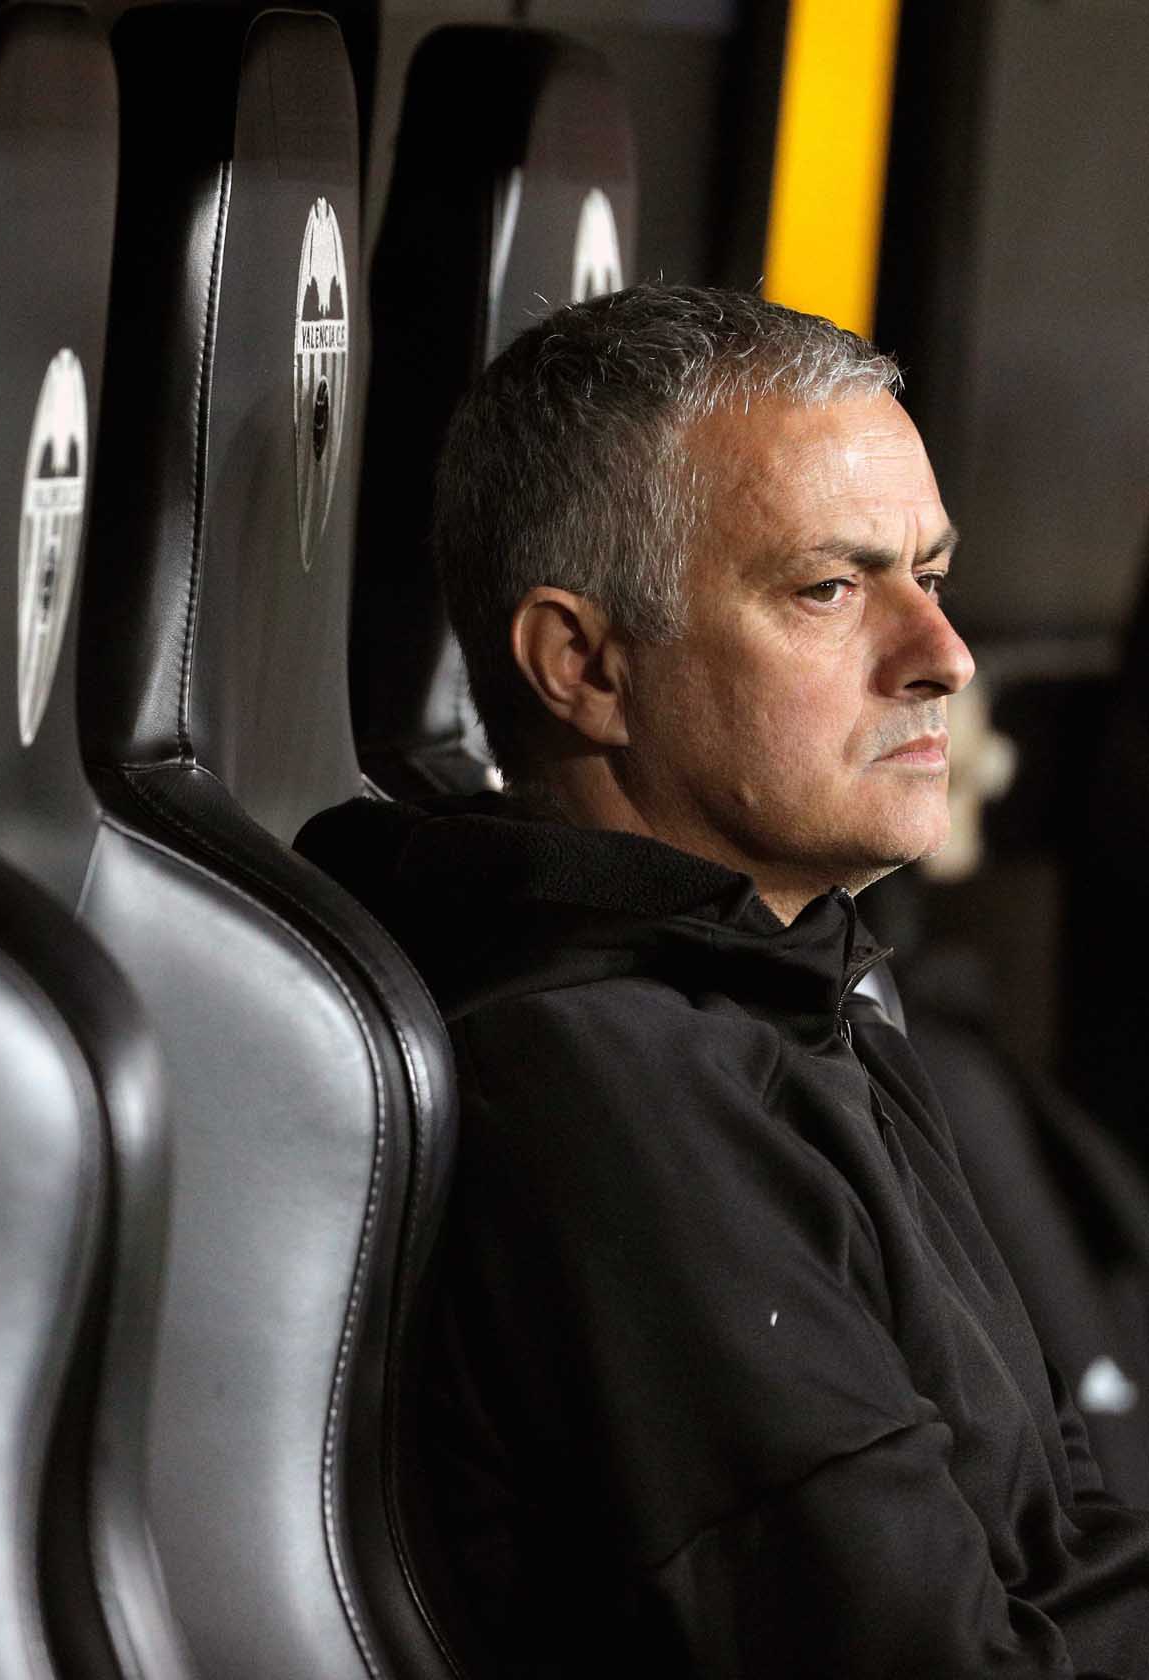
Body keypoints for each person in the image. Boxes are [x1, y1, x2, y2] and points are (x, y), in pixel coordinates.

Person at [296, 284, 1149, 1677]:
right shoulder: (613, 1085)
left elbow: (1065, 1534)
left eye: (926, 577)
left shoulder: (789, 983)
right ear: (583, 664)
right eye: (829, 588)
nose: (942, 657)